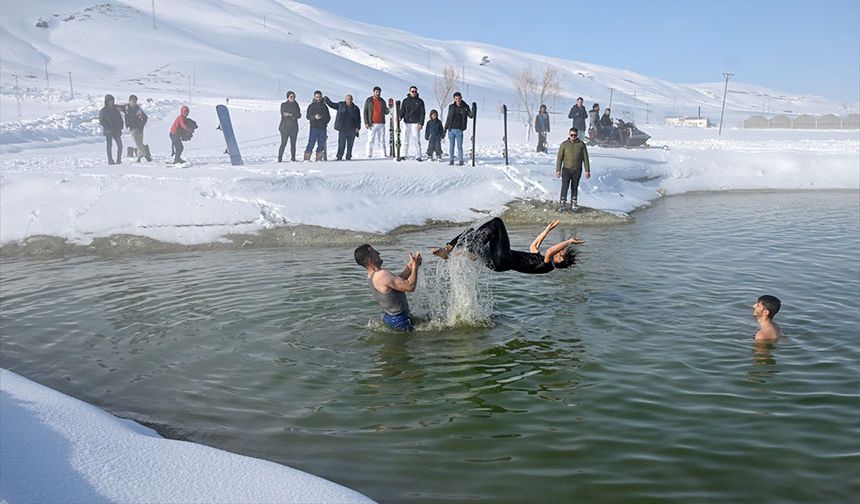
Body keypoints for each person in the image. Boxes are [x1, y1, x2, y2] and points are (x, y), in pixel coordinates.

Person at [431, 218, 581, 274]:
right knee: (470, 233)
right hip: (494, 262)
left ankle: (471, 251)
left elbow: (549, 250)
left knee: (497, 222)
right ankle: (449, 250)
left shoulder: (548, 265)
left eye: (560, 254)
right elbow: (534, 245)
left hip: (503, 259)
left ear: (560, 261)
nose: (558, 252)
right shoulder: (539, 259)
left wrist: (568, 241)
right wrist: (547, 230)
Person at [354, 244, 422, 331]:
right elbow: (410, 286)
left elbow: (397, 282)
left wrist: (410, 265)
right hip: (400, 320)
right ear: (370, 260)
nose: (379, 253)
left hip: (390, 317)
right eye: (375, 252)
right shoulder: (381, 275)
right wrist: (415, 267)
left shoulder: (372, 275)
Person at [556, 127, 591, 212]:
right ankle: (562, 204)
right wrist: (558, 170)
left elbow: (585, 158)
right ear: (569, 135)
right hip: (566, 169)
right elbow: (560, 158)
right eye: (571, 135)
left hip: (577, 170)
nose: (573, 137)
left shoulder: (581, 144)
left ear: (577, 135)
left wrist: (587, 170)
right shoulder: (564, 144)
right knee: (565, 186)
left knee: (574, 187)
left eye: (575, 135)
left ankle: (574, 204)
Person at [324, 94, 362, 160]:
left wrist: (358, 128)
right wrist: (326, 100)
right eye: (347, 99)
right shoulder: (340, 105)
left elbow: (358, 119)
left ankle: (348, 157)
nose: (349, 100)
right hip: (343, 129)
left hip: (352, 129)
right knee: (341, 144)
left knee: (350, 145)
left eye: (350, 99)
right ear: (345, 99)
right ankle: (339, 157)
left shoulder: (356, 108)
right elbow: (332, 105)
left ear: (352, 100)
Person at [444, 92, 472, 166]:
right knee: (451, 146)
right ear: (454, 99)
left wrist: (473, 109)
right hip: (451, 130)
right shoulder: (451, 107)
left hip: (459, 130)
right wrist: (445, 128)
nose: (458, 100)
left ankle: (460, 160)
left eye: (459, 98)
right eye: (456, 99)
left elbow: (471, 115)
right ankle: (451, 160)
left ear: (461, 98)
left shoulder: (465, 107)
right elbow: (448, 118)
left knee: (459, 146)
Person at [399, 85, 426, 161]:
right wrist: (400, 117)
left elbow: (422, 113)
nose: (414, 93)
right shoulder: (405, 101)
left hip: (415, 123)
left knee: (416, 140)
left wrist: (421, 123)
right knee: (405, 139)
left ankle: (418, 156)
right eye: (412, 91)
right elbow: (402, 111)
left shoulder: (420, 101)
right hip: (406, 122)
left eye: (415, 91)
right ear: (409, 91)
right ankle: (403, 155)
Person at [121, 94, 151, 162]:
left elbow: (145, 117)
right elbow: (116, 107)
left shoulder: (138, 109)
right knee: (138, 142)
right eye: (132, 101)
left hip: (140, 128)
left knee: (140, 142)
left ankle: (139, 157)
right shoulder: (126, 108)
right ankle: (146, 156)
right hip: (133, 128)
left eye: (135, 101)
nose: (133, 103)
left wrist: (143, 124)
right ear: (129, 101)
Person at [304, 90, 330, 161]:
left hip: (322, 128)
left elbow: (328, 117)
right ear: (314, 97)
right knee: (311, 143)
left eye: (319, 97)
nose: (318, 98)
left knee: (321, 144)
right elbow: (308, 116)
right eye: (317, 97)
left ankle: (318, 159)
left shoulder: (324, 107)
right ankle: (306, 159)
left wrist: (323, 120)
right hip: (314, 127)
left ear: (321, 97)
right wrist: (314, 117)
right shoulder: (311, 106)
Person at [363, 86, 389, 158]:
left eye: (379, 92)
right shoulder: (369, 100)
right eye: (376, 92)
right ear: (373, 92)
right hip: (372, 124)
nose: (378, 94)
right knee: (371, 140)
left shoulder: (382, 101)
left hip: (381, 123)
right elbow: (365, 111)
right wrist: (366, 122)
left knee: (381, 140)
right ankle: (369, 154)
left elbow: (386, 111)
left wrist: (389, 108)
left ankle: (383, 154)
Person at [98, 94, 124, 165]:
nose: (111, 102)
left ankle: (119, 160)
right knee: (109, 146)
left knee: (120, 145)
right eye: (109, 100)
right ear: (106, 101)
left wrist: (121, 126)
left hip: (116, 130)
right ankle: (110, 160)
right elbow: (101, 120)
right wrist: (107, 126)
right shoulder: (103, 110)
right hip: (108, 130)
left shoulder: (116, 109)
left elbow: (120, 119)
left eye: (112, 100)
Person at [278, 91, 301, 162]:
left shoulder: (296, 105)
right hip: (285, 128)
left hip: (294, 128)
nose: (292, 98)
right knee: (283, 143)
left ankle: (293, 158)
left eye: (294, 97)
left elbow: (299, 115)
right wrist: (292, 115)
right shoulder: (284, 104)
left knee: (293, 144)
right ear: (288, 97)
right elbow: (283, 113)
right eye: (291, 97)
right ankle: (279, 158)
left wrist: (291, 115)